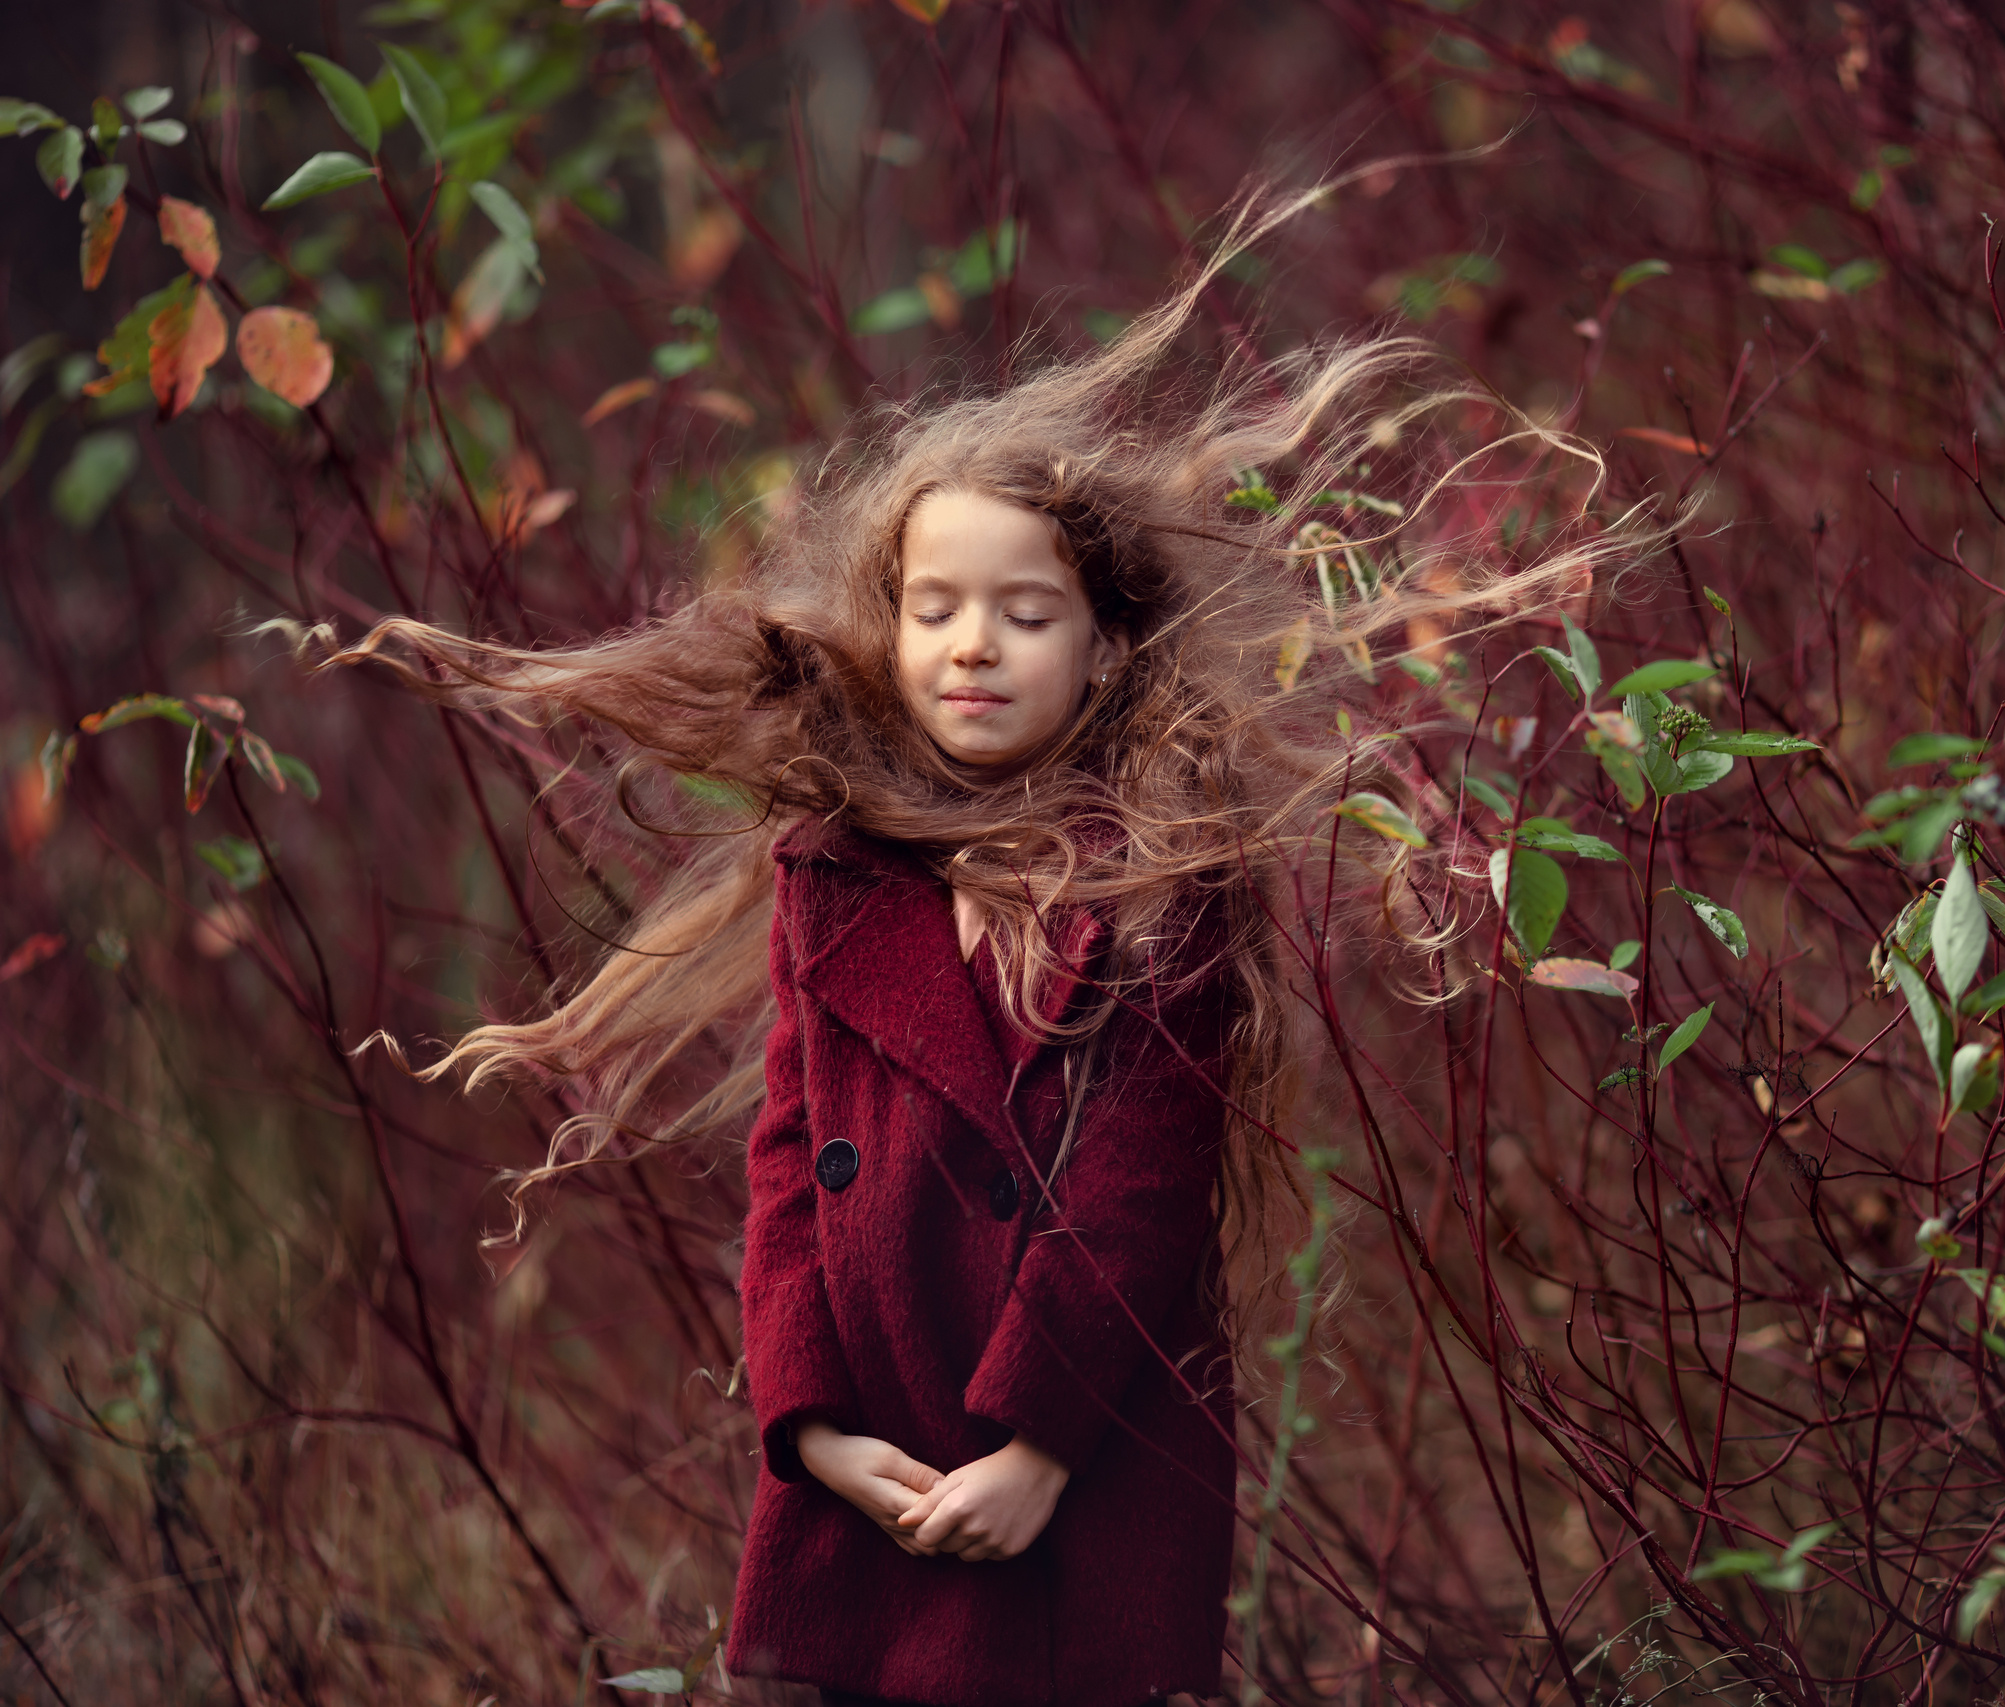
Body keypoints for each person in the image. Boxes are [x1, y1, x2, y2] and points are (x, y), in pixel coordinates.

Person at [333, 231, 1610, 1706]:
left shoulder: (1166, 877)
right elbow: (785, 1162)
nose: (972, 648)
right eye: (935, 609)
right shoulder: (833, 868)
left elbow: (1139, 1190)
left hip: (1078, 1445)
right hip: (871, 1442)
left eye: (1026, 611)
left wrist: (1035, 1446)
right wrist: (807, 1419)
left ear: (1106, 649)